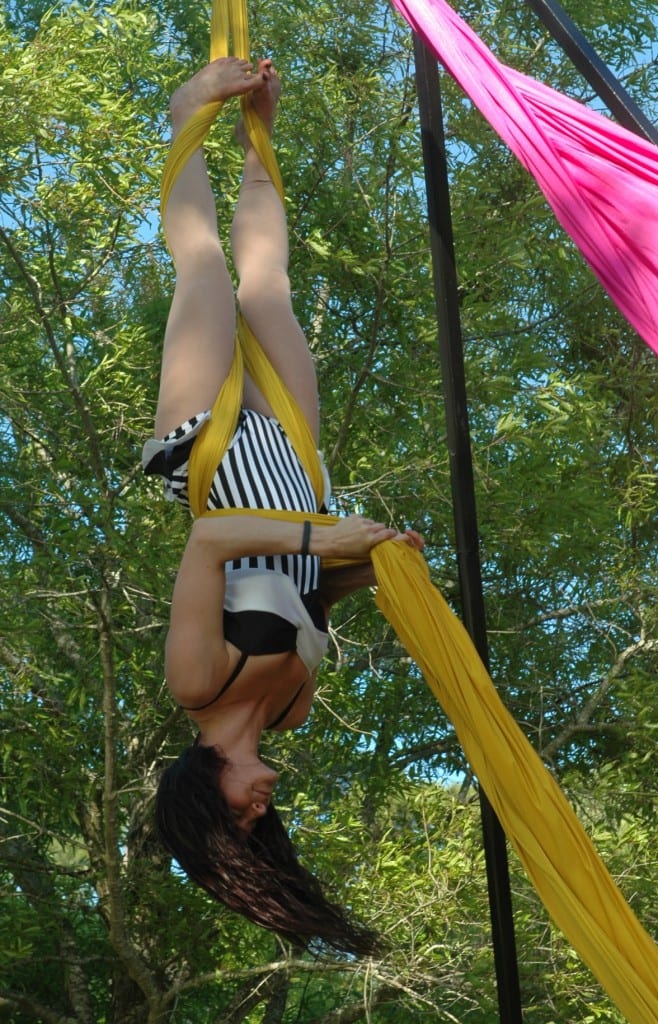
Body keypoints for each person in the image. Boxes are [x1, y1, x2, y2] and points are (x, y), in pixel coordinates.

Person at [143, 57, 422, 956]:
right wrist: (365, 563)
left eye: (238, 821)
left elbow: (213, 545)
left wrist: (322, 535)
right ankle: (261, 135)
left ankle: (190, 110)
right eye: (264, 828)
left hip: (212, 446)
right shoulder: (293, 705)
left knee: (207, 270)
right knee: (270, 291)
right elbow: (307, 587)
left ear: (201, 793)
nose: (261, 810)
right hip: (294, 466)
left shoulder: (200, 684)